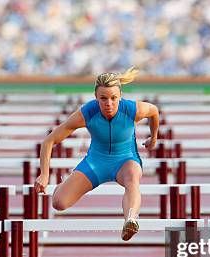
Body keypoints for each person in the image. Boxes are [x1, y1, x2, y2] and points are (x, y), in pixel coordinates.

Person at [34, 67, 159, 241]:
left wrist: (153, 138)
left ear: (120, 97)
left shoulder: (132, 109)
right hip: (96, 163)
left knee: (132, 177)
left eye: (114, 98)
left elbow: (154, 111)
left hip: (125, 161)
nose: (109, 103)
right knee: (59, 203)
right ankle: (63, 185)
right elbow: (49, 141)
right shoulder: (87, 113)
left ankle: (131, 220)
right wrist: (45, 174)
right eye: (103, 99)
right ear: (96, 98)